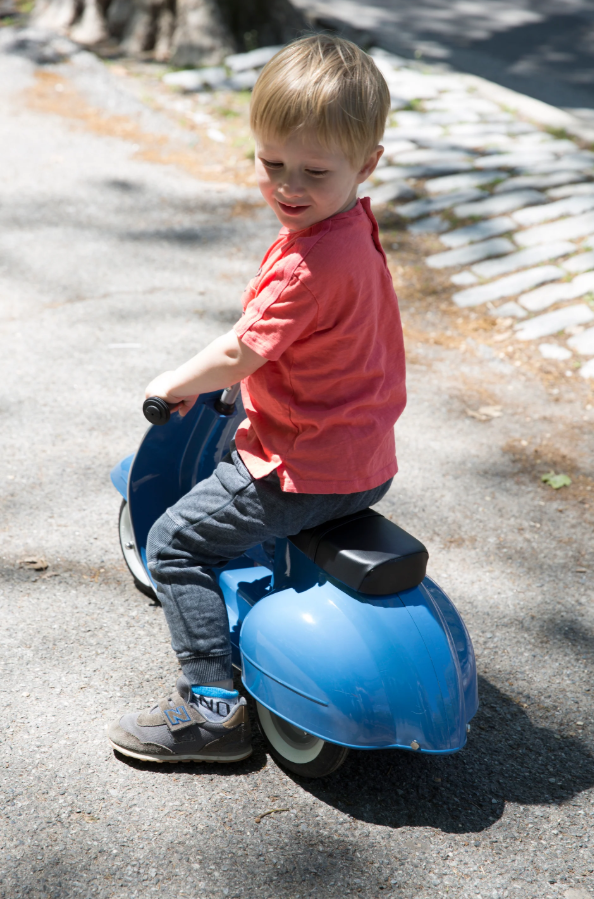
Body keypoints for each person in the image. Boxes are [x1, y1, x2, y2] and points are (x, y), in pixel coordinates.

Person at [107, 33, 407, 764]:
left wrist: (175, 382)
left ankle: (210, 708)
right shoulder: (352, 231)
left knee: (175, 543)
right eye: (271, 164)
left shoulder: (307, 262)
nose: (288, 186)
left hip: (300, 464)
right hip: (366, 458)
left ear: (367, 165)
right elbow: (293, 339)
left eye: (313, 171)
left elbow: (245, 347)